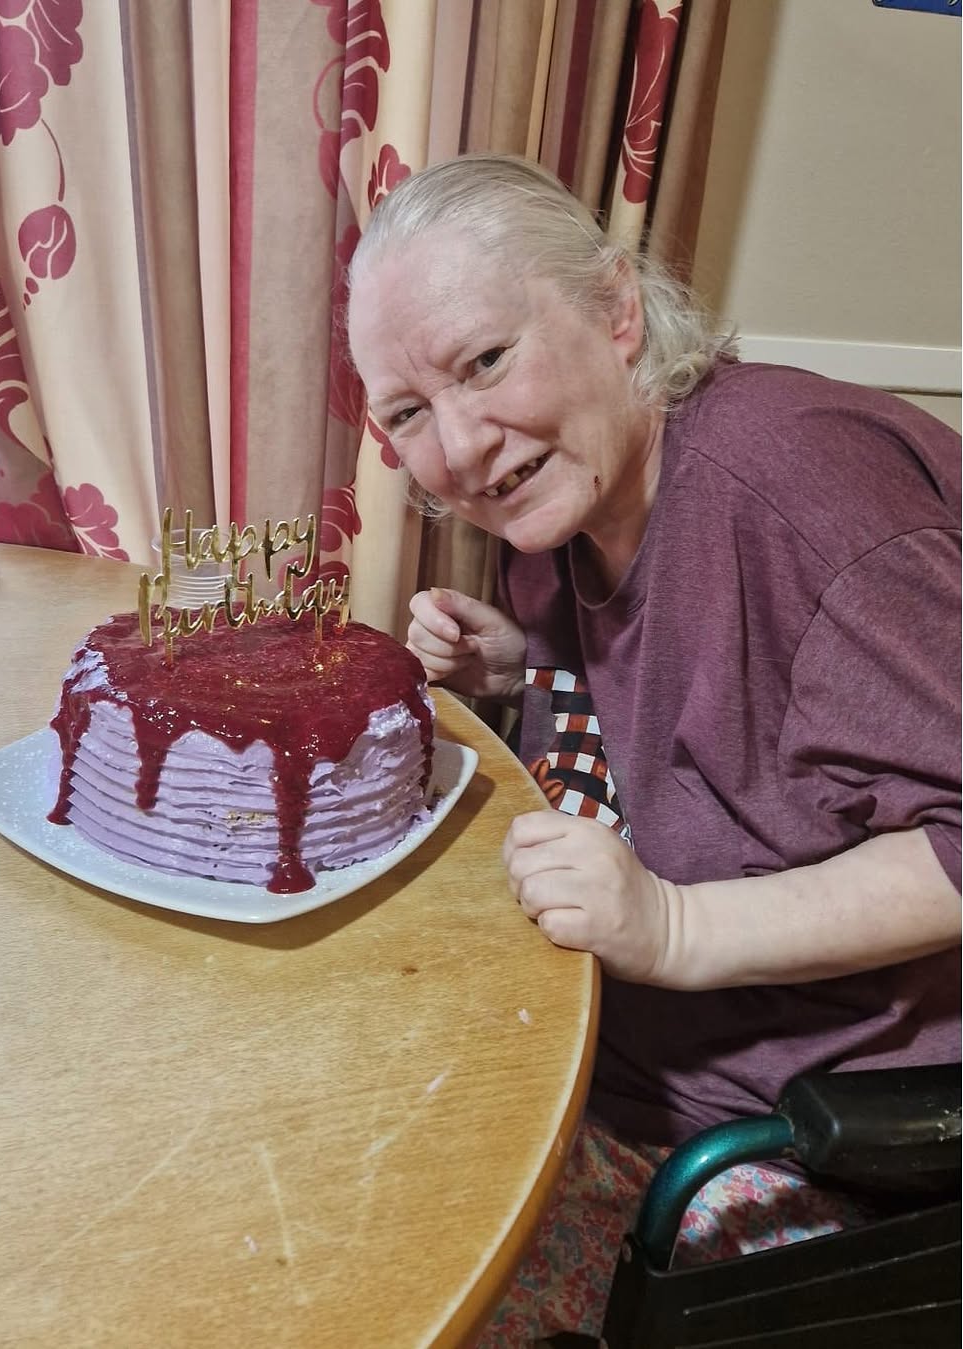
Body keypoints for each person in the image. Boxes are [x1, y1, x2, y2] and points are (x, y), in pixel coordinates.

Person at [347, 153, 962, 1346]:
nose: (463, 447)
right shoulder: (565, 509)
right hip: (594, 1053)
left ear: (617, 311)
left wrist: (677, 927)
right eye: (408, 414)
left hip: (800, 1138)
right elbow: (740, 715)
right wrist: (527, 668)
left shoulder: (798, 487)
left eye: (485, 360)